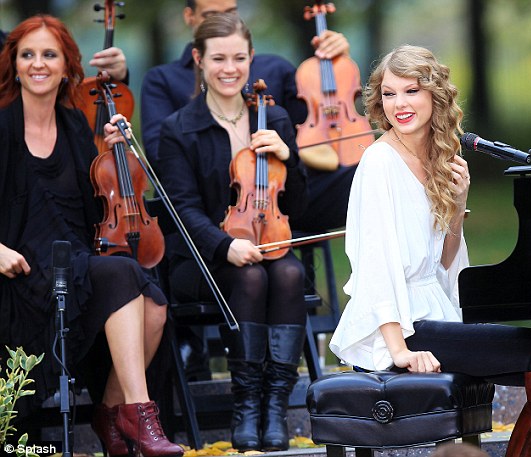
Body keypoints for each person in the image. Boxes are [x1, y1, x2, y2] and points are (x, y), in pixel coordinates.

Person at [329, 45, 531, 457]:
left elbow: (446, 264)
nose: (400, 104)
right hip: (402, 326)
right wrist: (400, 350)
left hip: (433, 312)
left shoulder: (438, 158)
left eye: (411, 91)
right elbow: (374, 264)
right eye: (390, 94)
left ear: (435, 95)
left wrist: (457, 201)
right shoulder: (379, 163)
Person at [0, 15, 182, 457]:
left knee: (154, 305)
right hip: (19, 273)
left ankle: (117, 410)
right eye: (28, 55)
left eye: (49, 55)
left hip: (72, 262)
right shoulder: (1, 126)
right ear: (15, 64)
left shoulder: (76, 126)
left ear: (67, 66)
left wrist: (114, 150)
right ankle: (135, 417)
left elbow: (101, 201)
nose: (38, 64)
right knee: (128, 278)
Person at [156, 13, 308, 452]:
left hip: (268, 249)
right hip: (200, 261)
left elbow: (298, 207)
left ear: (251, 59)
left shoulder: (273, 119)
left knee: (289, 274)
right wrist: (225, 244)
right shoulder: (178, 129)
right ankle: (247, 405)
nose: (229, 68)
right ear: (199, 61)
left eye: (239, 58)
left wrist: (290, 158)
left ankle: (274, 407)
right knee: (250, 275)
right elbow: (180, 211)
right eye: (218, 58)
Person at [141, 0, 356, 233]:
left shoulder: (275, 67)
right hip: (208, 202)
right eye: (212, 15)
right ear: (189, 16)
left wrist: (337, 63)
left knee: (368, 176)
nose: (230, 69)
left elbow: (317, 129)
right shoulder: (161, 79)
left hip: (279, 194)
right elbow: (160, 160)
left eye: (232, 14)